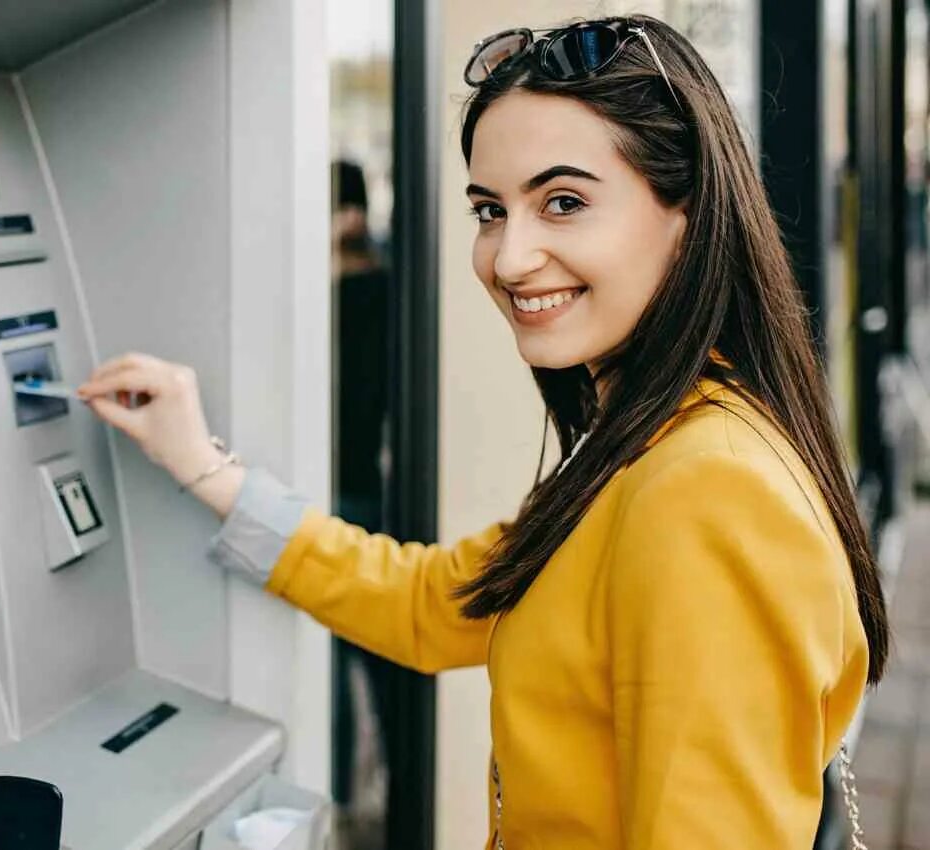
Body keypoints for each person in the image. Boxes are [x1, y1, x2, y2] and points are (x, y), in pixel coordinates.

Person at [77, 15, 888, 849]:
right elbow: (431, 605)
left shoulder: (708, 492)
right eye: (490, 210)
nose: (508, 258)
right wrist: (203, 467)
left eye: (563, 202)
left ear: (689, 214)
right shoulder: (647, 443)